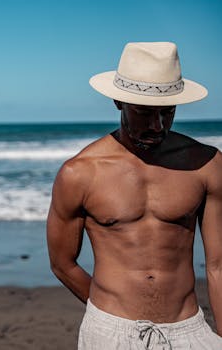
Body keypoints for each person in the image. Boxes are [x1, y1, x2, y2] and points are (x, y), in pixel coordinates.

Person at [47, 42, 222, 349]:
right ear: (119, 101)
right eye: (144, 113)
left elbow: (219, 264)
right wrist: (108, 314)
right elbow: (63, 263)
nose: (157, 126)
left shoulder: (205, 164)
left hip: (189, 331)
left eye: (168, 112)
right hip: (109, 332)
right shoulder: (80, 173)